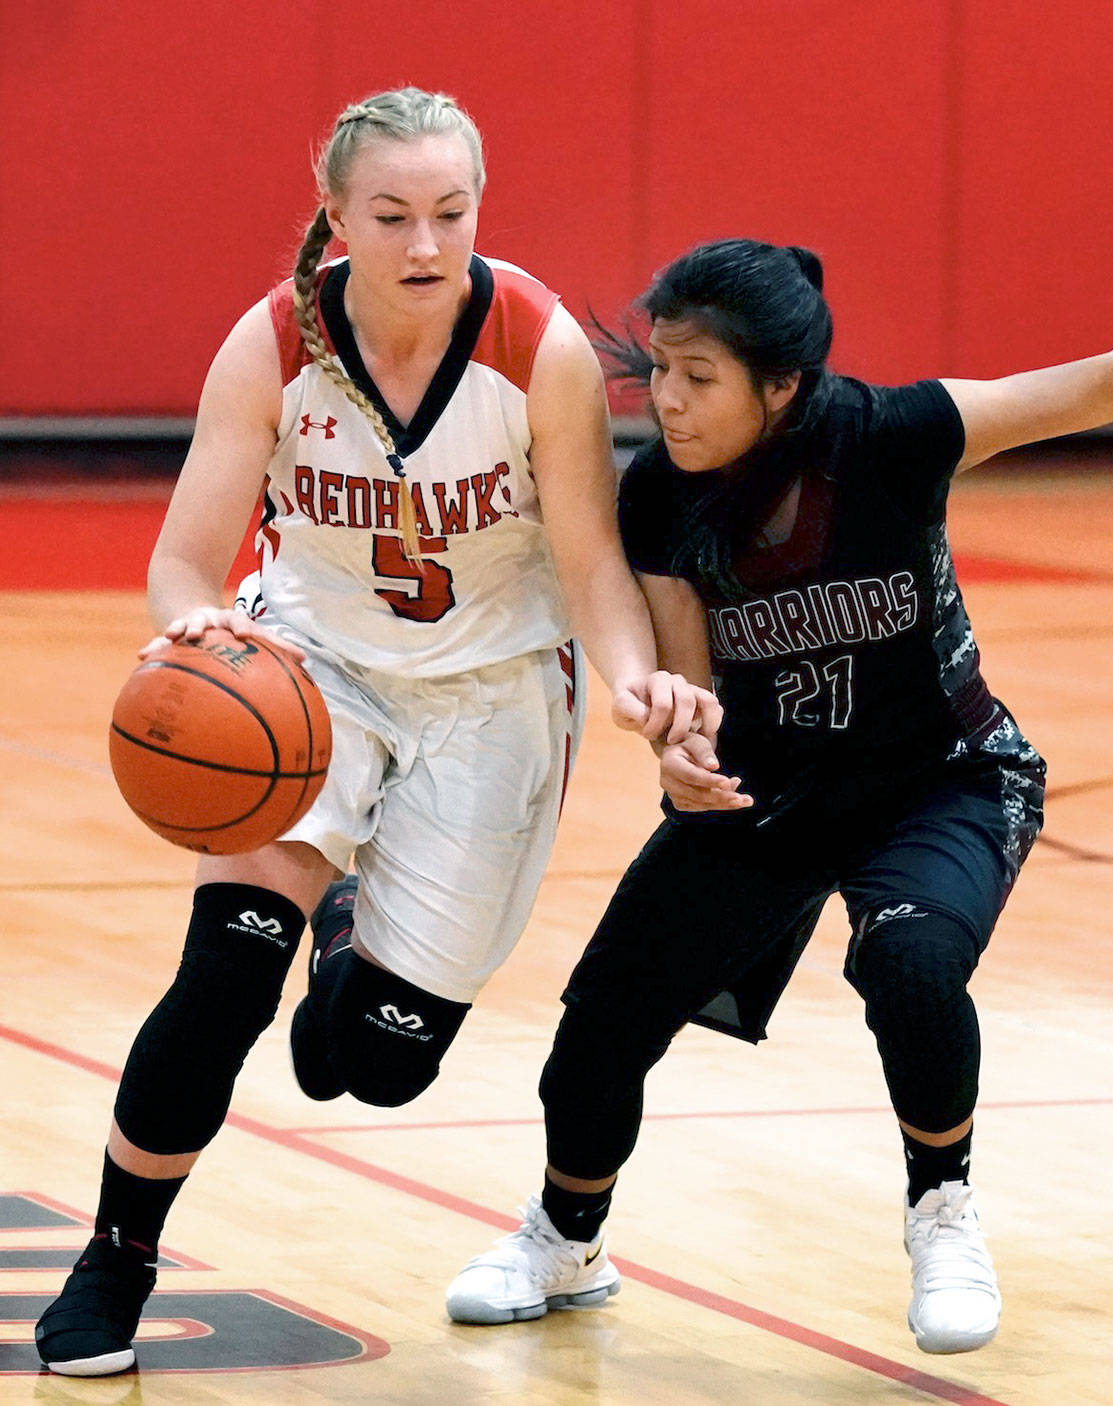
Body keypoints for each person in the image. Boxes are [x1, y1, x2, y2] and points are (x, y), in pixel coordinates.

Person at [440, 239, 1113, 1354]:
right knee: (601, 1023)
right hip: (772, 796)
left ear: (780, 385)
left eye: (699, 377)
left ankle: (943, 1212)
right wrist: (679, 751)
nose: (666, 400)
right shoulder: (661, 494)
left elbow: (1101, 380)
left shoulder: (890, 436)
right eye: (662, 369)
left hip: (941, 778)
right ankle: (566, 1238)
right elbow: (690, 679)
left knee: (910, 963)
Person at [34, 87, 715, 1378]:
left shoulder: (537, 346)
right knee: (224, 976)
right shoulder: (273, 342)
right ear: (336, 216)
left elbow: (590, 561)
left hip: (491, 694)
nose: (425, 243)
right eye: (392, 215)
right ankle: (115, 1258)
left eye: (451, 212)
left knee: (371, 1065)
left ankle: (347, 934)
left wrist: (641, 686)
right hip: (312, 676)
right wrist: (193, 631)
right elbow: (183, 562)